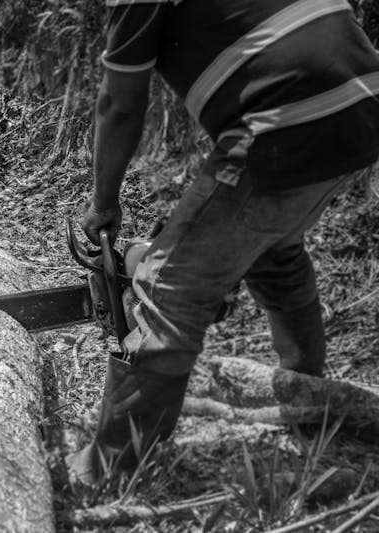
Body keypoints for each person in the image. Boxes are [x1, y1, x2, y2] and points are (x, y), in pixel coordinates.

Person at [68, 0, 379, 486]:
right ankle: (305, 398)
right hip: (364, 101)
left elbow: (120, 103)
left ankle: (107, 469)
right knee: (275, 251)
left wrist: (104, 202)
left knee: (167, 291)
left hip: (286, 116)